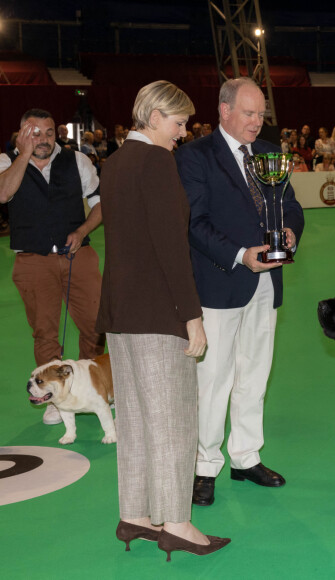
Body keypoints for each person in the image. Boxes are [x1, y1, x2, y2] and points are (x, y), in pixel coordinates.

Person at [97, 80, 230, 559]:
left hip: (119, 312)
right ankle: (176, 523)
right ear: (154, 117)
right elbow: (171, 247)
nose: (182, 133)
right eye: (178, 124)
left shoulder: (113, 163)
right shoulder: (156, 161)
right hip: (157, 311)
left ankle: (134, 515)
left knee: (133, 419)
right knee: (173, 418)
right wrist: (192, 317)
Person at [175, 77, 304, 507]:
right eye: (248, 113)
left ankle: (246, 457)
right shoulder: (193, 157)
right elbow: (194, 223)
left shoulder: (270, 154)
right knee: (212, 380)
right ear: (224, 111)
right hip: (219, 283)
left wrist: (290, 230)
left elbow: (293, 206)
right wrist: (239, 255)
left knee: (255, 376)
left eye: (261, 114)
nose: (257, 122)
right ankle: (203, 465)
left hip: (267, 282)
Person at [0, 108, 105, 425]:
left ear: (58, 133)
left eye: (49, 132)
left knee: (95, 325)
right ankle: (55, 397)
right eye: (34, 132)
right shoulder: (5, 162)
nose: (43, 138)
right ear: (21, 133)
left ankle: (93, 388)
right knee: (45, 333)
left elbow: (99, 204)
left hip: (77, 255)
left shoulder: (78, 160)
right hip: (32, 259)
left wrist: (82, 231)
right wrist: (23, 155)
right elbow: (2, 193)